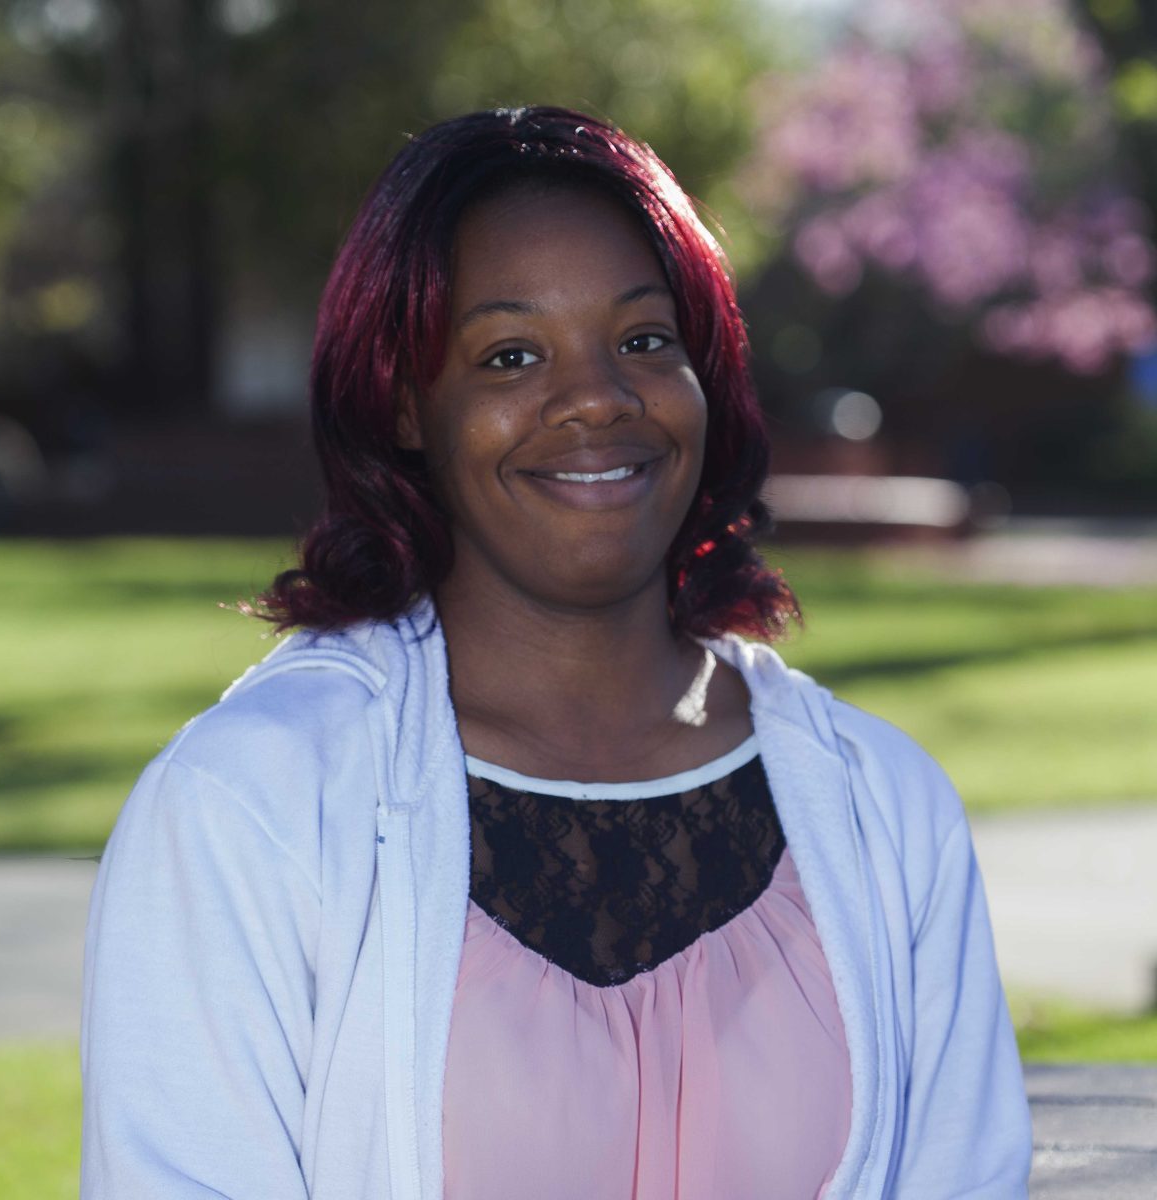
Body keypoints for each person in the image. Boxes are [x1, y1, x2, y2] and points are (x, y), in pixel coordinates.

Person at [80, 106, 1031, 1199]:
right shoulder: (250, 805)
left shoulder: (884, 810)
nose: (596, 398)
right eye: (511, 354)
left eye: (642, 340)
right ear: (403, 403)